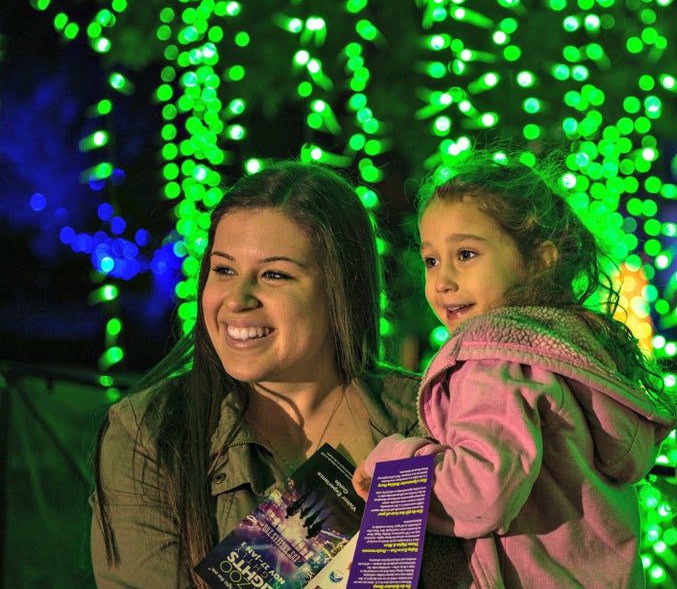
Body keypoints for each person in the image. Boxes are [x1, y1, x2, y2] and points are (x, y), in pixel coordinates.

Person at [90, 160, 468, 587]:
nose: (237, 299)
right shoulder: (153, 431)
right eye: (224, 269)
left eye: (275, 274)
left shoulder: (437, 417)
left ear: (341, 288)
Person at [353, 152, 677, 588]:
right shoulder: (564, 349)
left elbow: (478, 496)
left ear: (539, 260)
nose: (442, 281)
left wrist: (394, 461)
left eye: (466, 254)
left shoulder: (494, 359)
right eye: (432, 260)